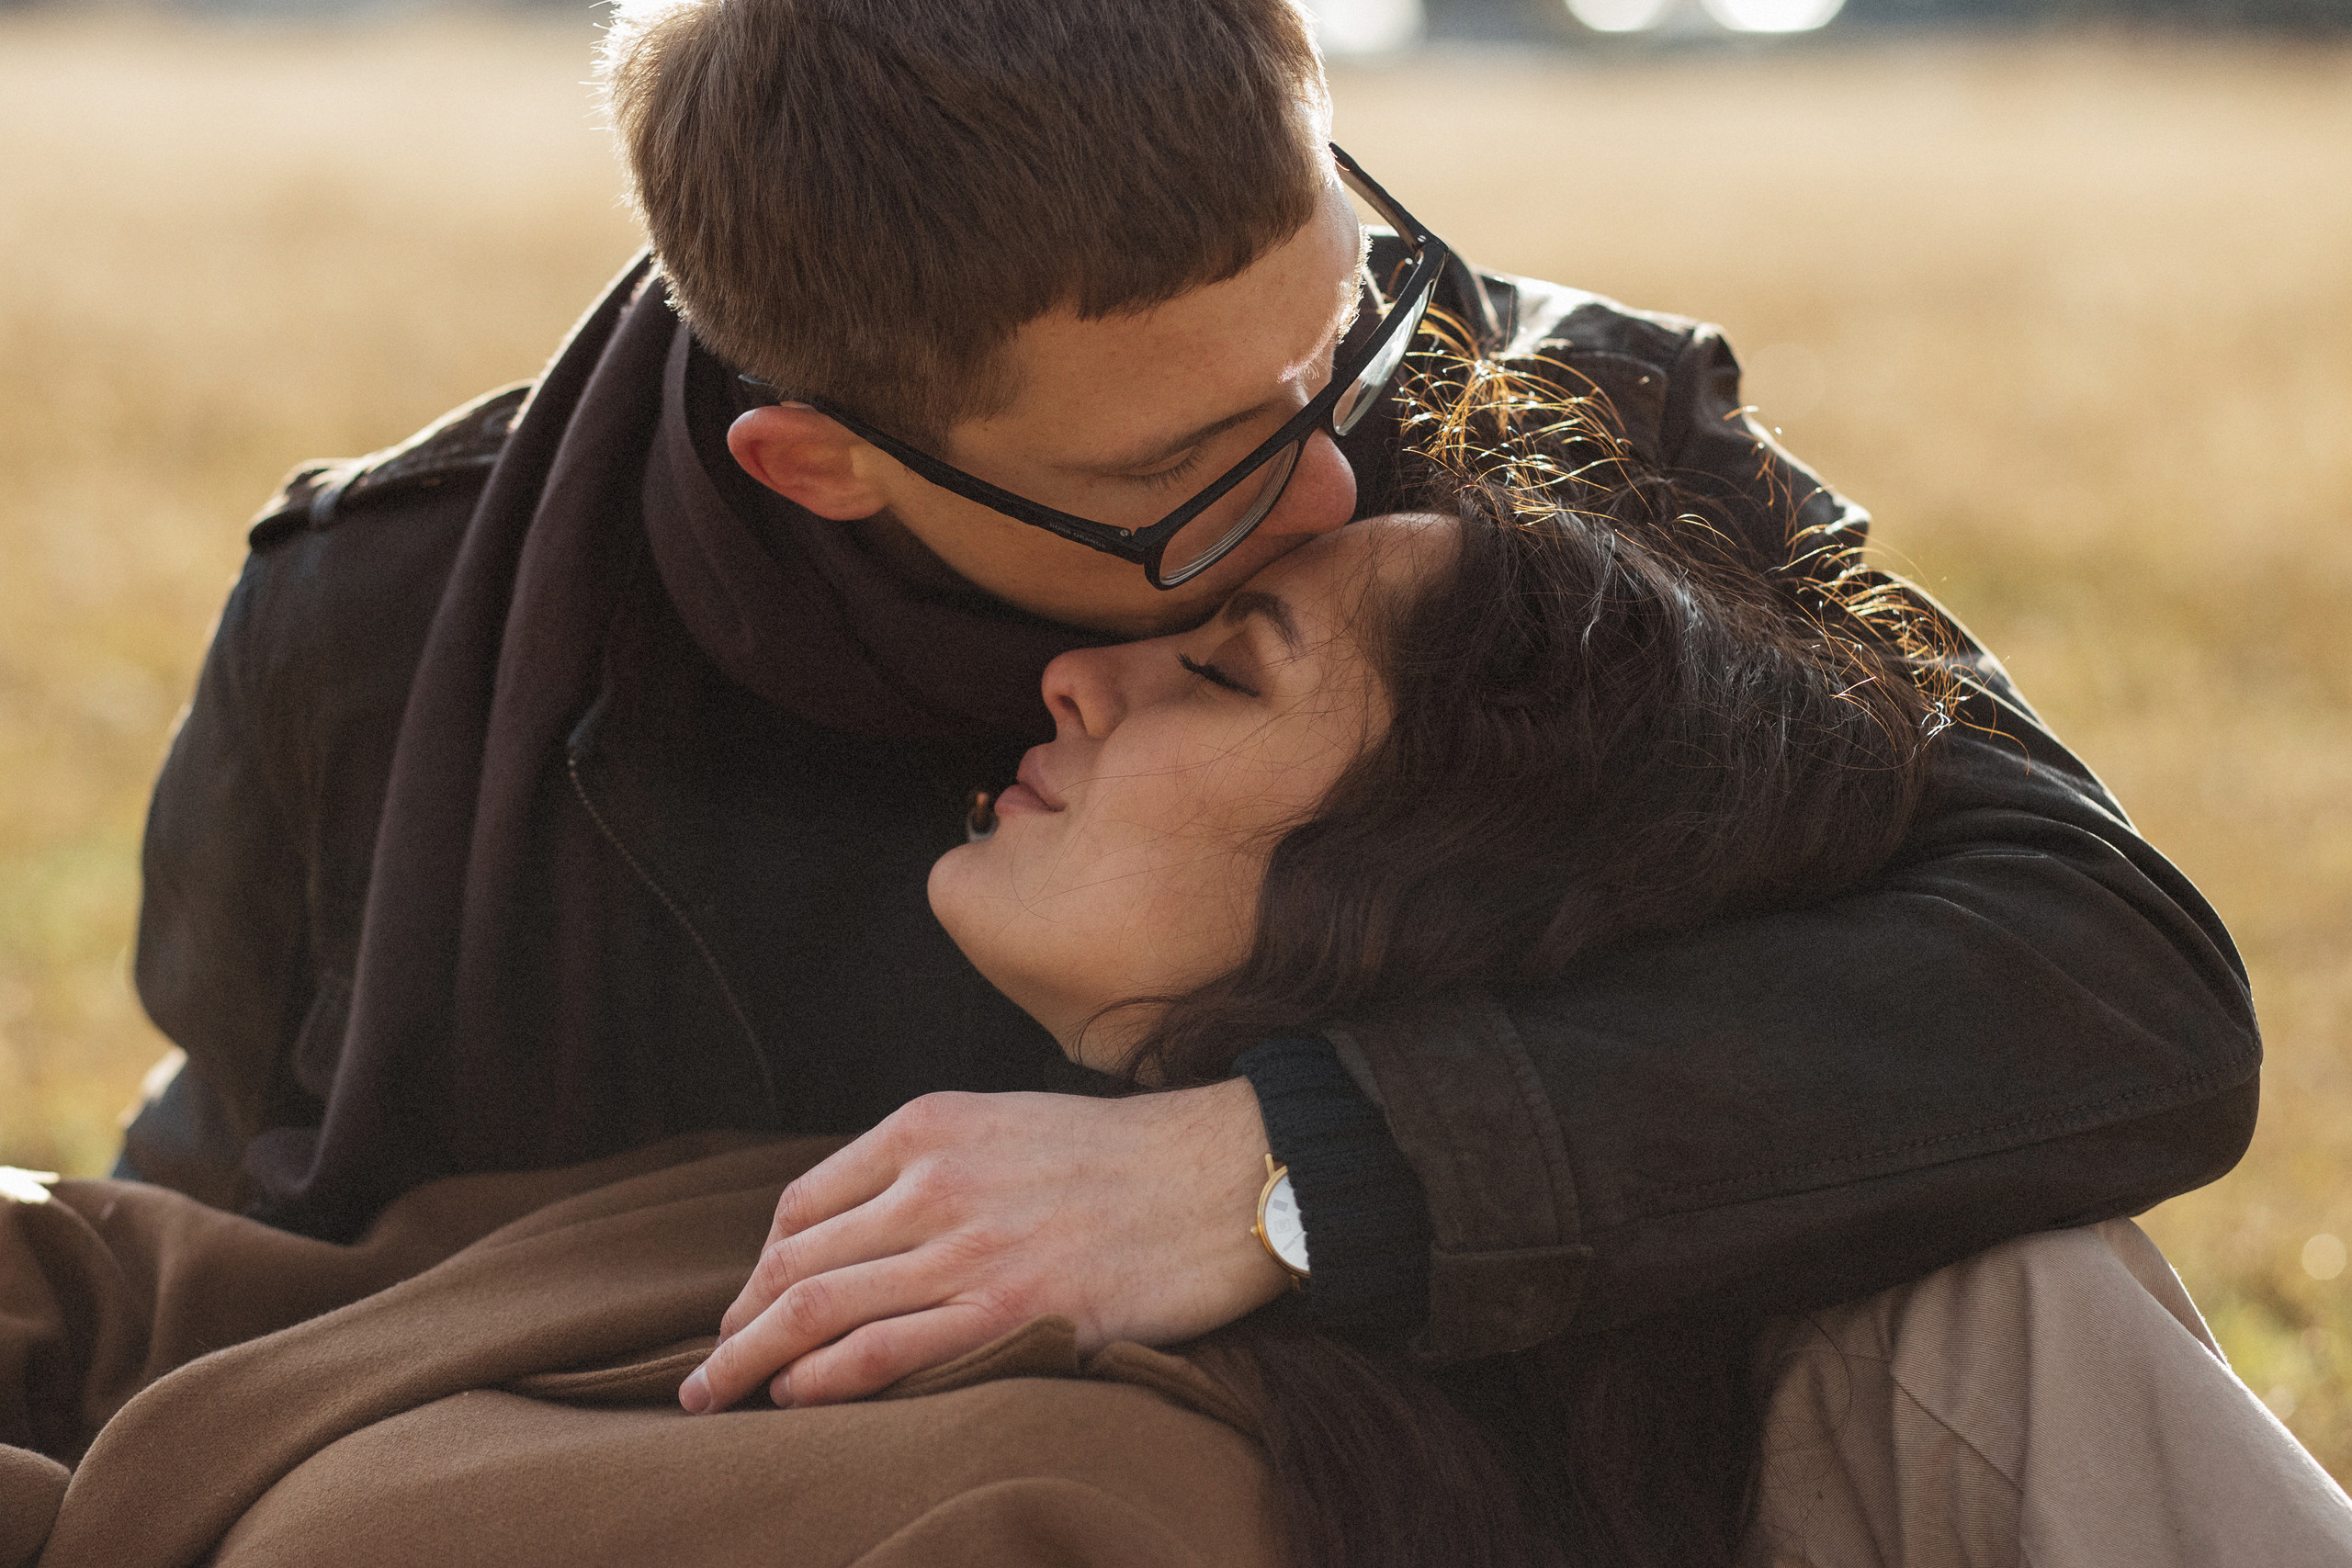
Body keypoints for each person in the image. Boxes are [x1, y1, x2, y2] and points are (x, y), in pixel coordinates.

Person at [119, 0, 2257, 1408]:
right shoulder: (381, 631)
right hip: (759, 1497)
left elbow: (2104, 976)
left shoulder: (1552, 416)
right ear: (820, 462)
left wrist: (1277, 1168)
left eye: (1337, 335)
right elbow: (245, 1198)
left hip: (1484, 1448)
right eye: (1179, 477)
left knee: (2024, 1297)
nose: (1339, 473)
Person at [12, 396, 2342, 1568]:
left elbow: (2114, 971)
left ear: (1415, 892)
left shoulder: (1089, 1500)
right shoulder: (879, 1195)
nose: (1076, 677)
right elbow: (173, 1298)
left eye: (1218, 663)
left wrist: (1281, 1169)